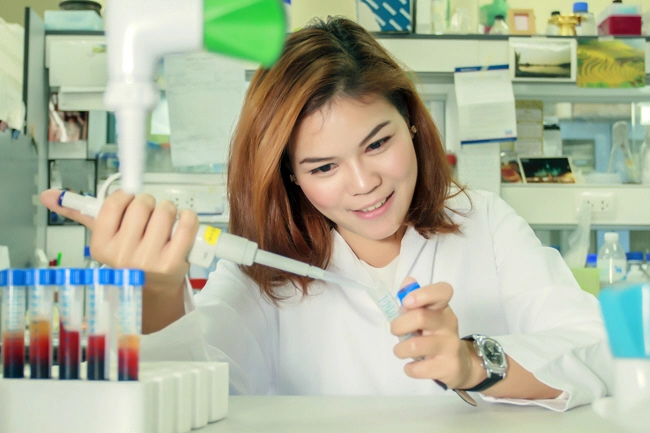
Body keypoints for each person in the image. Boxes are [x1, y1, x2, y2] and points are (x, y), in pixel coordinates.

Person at [40, 17, 611, 410]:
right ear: (288, 174)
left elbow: (595, 355)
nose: (364, 186)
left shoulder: (483, 222)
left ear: (412, 121)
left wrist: (471, 363)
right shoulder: (261, 264)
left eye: (377, 143)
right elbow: (201, 390)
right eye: (322, 168)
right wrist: (157, 288)